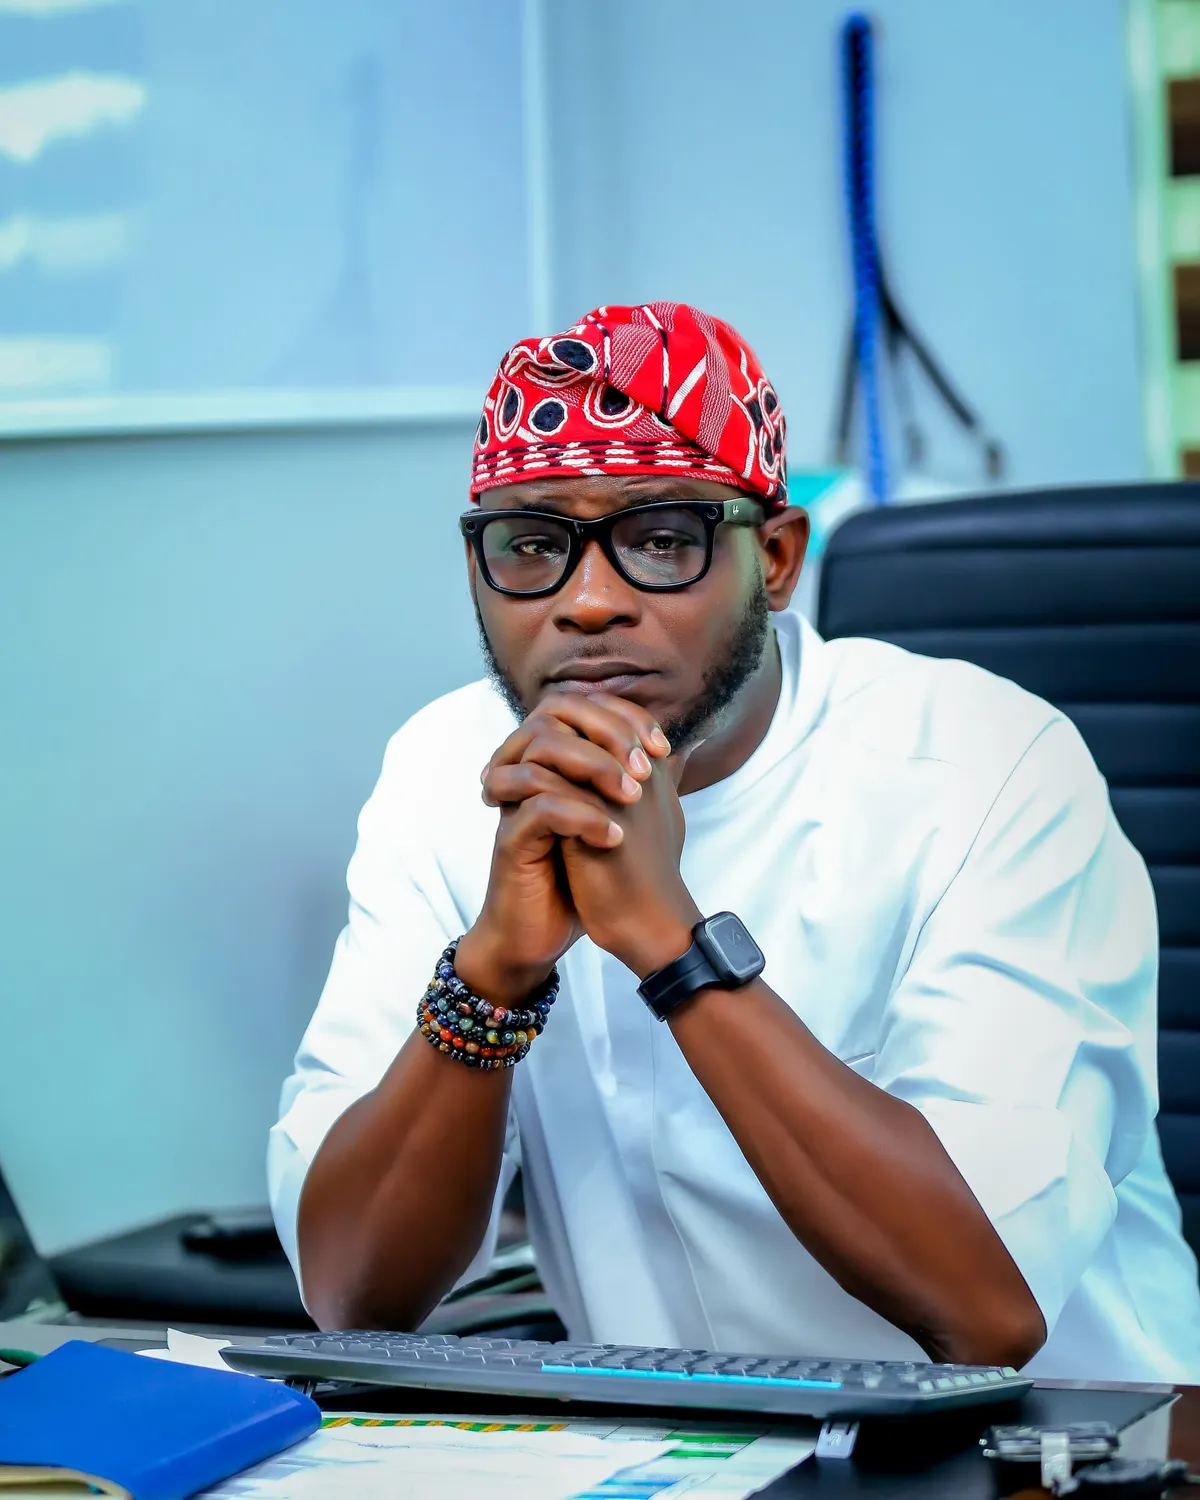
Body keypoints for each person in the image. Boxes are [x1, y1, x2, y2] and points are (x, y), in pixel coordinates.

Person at [269, 301, 1200, 1382]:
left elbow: (986, 1309)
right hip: (684, 1447)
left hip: (1057, 1441)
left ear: (779, 559)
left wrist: (671, 942)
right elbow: (352, 1295)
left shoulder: (988, 765)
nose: (588, 602)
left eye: (662, 540)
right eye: (532, 545)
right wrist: (493, 974)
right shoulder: (447, 773)